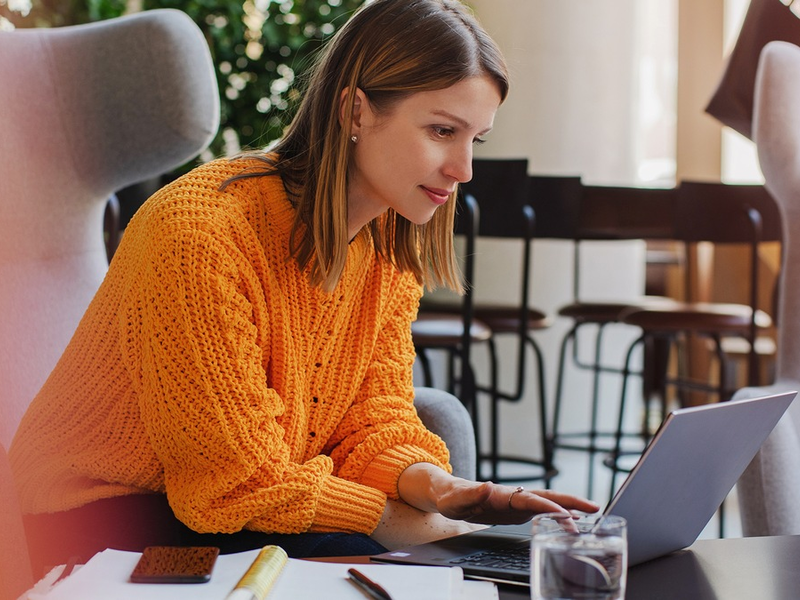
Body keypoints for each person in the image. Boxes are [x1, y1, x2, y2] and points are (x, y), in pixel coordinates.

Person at [10, 0, 597, 573]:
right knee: (412, 566)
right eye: (442, 130)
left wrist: (440, 490)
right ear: (355, 111)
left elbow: (373, 416)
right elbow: (235, 481)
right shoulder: (201, 231)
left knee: (431, 568)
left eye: (476, 139)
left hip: (228, 507)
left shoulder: (384, 246)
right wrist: (414, 526)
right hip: (102, 515)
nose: (464, 168)